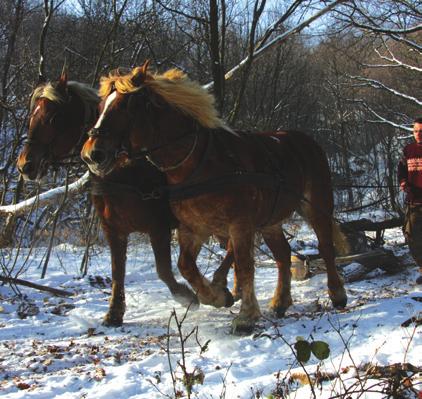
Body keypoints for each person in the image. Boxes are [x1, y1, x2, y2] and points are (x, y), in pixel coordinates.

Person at [398, 117, 422, 284]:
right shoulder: (407, 150)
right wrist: (403, 183)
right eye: (415, 131)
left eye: (421, 131)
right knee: (412, 237)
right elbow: (401, 170)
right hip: (414, 203)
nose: (418, 134)